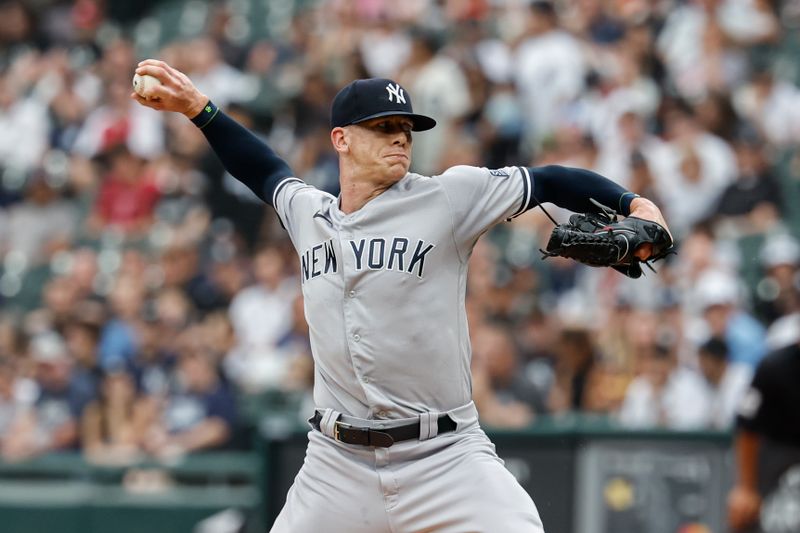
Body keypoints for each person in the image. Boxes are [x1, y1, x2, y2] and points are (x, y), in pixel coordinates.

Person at [132, 58, 671, 532]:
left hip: (444, 456)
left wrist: (634, 203)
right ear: (341, 139)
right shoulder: (309, 214)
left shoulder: (449, 198)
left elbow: (551, 178)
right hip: (336, 465)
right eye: (383, 127)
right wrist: (200, 109)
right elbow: (263, 169)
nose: (400, 138)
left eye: (406, 129)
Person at [727, 340, 800, 532]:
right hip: (775, 458)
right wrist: (745, 488)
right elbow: (747, 427)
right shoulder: (774, 366)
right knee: (744, 512)